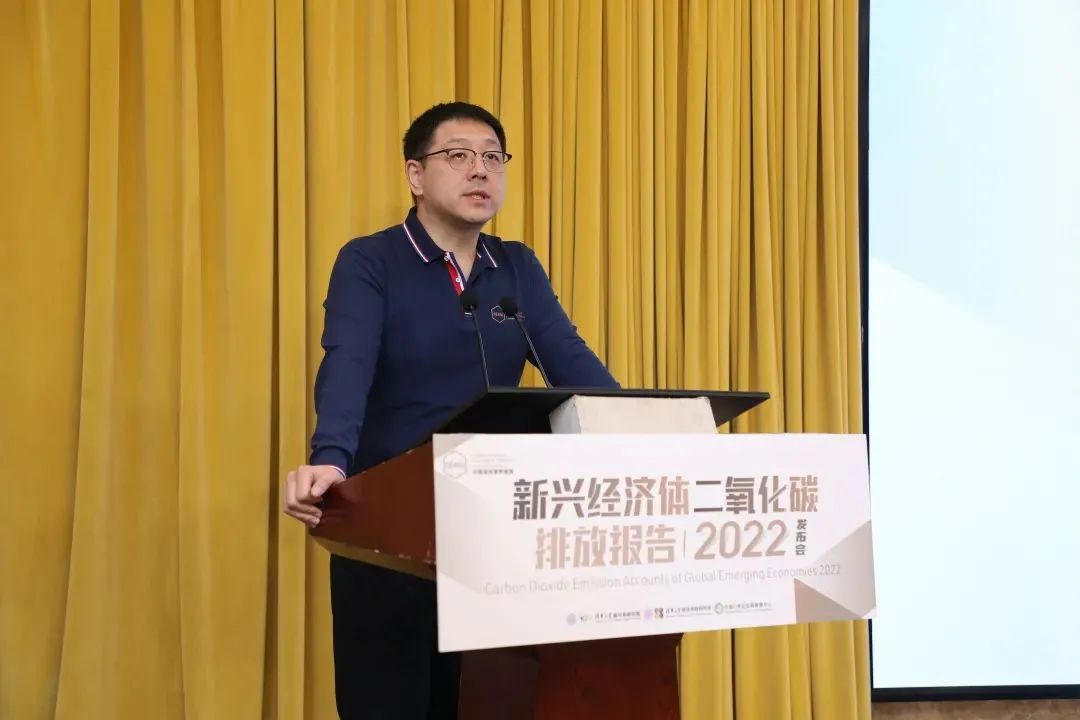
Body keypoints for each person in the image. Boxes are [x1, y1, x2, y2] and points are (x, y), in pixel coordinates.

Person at [283, 101, 618, 719]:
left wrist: (641, 438)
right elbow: (347, 364)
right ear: (415, 174)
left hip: (494, 528)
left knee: (489, 700)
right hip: (389, 524)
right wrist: (330, 459)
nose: (480, 170)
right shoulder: (371, 261)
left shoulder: (515, 266)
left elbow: (574, 365)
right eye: (458, 156)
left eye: (493, 157)